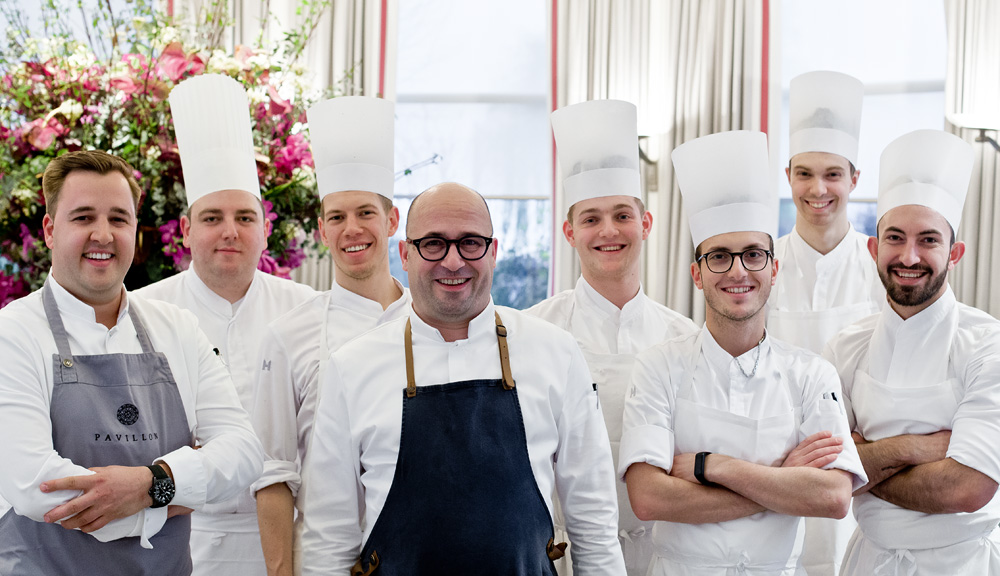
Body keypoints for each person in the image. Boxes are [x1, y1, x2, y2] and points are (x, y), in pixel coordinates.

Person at [298, 182, 626, 575]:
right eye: (433, 244)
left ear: (494, 252)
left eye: (470, 242)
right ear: (405, 254)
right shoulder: (352, 367)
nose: (453, 262)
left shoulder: (556, 353)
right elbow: (328, 540)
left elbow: (594, 522)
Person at [0, 150, 264, 575]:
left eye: (119, 219)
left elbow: (244, 452)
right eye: (83, 218)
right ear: (49, 230)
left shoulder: (177, 327)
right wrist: (171, 500)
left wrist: (150, 484)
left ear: (135, 231)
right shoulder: (12, 333)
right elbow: (37, 487)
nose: (103, 235)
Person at [620, 131, 867, 576]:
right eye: (719, 257)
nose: (738, 271)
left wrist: (711, 466)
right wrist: (782, 478)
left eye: (753, 255)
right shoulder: (659, 366)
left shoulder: (811, 374)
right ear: (697, 274)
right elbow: (648, 497)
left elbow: (832, 498)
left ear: (774, 269)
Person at [135, 74, 316, 576]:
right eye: (212, 217)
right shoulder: (141, 312)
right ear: (186, 229)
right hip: (174, 538)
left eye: (245, 217)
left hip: (286, 540)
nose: (230, 231)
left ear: (266, 229)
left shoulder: (308, 311)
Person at [527, 99, 696, 575]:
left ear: (645, 224)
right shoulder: (534, 332)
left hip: (666, 549)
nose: (608, 231)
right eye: (591, 218)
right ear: (569, 232)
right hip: (564, 552)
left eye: (622, 215)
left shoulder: (684, 337)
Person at [825, 129, 1000, 575]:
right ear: (873, 248)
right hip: (870, 561)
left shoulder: (988, 345)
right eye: (895, 237)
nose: (908, 256)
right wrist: (918, 448)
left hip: (963, 564)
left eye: (928, 240)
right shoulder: (846, 346)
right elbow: (826, 477)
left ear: (955, 253)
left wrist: (862, 464)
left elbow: (967, 488)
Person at [251, 96, 410, 576]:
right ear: (322, 230)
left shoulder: (432, 323)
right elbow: (272, 473)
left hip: (421, 555)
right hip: (325, 561)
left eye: (365, 213)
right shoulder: (288, 336)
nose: (352, 229)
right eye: (337, 217)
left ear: (392, 221)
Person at [767, 70, 884, 576]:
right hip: (776, 470)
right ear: (788, 175)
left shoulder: (884, 269)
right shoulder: (760, 267)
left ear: (855, 179)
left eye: (833, 174)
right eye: (805, 174)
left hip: (861, 476)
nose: (818, 189)